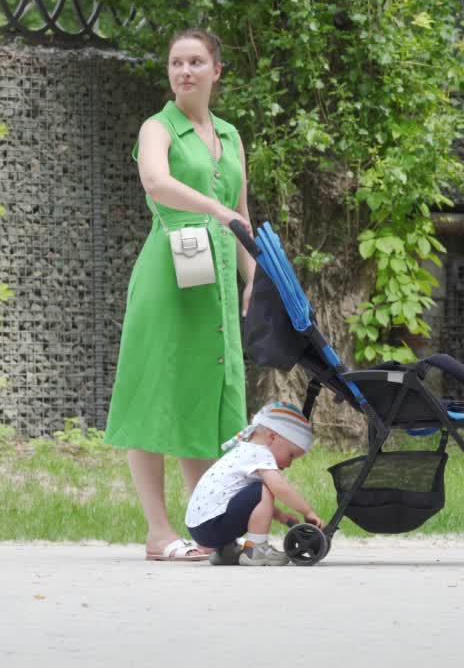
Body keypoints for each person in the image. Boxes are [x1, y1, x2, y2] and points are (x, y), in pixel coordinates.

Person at [103, 28, 257, 562]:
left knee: (205, 390)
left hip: (214, 277)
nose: (184, 71)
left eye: (195, 62)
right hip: (171, 267)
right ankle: (158, 531)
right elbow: (156, 182)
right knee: (154, 391)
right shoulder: (157, 127)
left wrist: (254, 273)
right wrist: (214, 210)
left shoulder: (232, 137)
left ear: (217, 70)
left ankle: (207, 522)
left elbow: (241, 213)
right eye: (176, 63)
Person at [184, 402, 324, 567]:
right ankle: (256, 549)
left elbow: (245, 502)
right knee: (266, 487)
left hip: (199, 527)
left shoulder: (244, 451)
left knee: (257, 490)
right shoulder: (260, 453)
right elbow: (279, 489)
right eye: (291, 455)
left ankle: (225, 551)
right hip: (214, 524)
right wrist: (307, 511)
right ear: (272, 437)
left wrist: (280, 515)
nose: (289, 464)